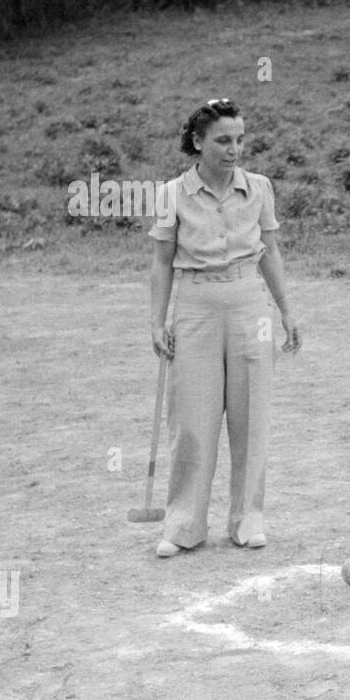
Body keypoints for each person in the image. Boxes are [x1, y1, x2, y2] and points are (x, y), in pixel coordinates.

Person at [147, 98, 300, 558]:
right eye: (223, 141)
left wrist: (287, 311)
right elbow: (162, 259)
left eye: (240, 140)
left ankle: (247, 519)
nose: (234, 150)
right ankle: (183, 525)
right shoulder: (173, 193)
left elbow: (269, 251)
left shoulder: (259, 188)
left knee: (251, 417)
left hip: (248, 303)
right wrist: (156, 319)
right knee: (192, 421)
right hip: (195, 306)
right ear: (198, 142)